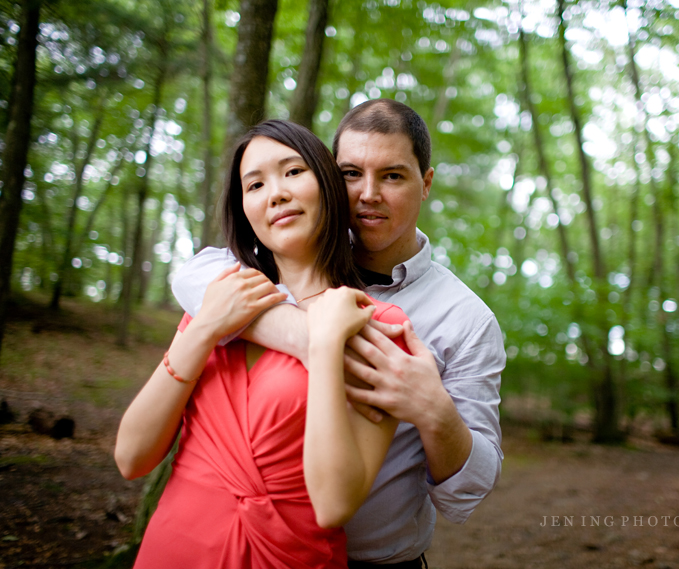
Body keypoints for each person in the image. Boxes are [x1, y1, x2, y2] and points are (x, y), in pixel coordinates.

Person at [172, 99, 505, 568]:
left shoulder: (466, 320)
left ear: (425, 183)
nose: (368, 194)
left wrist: (434, 412)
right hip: (249, 546)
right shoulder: (289, 255)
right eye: (350, 174)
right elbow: (195, 274)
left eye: (392, 176)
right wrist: (312, 337)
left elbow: (469, 493)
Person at [115, 120, 411, 568]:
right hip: (172, 548)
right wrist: (202, 329)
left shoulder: (379, 327)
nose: (275, 193)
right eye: (255, 184)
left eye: (293, 172)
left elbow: (334, 505)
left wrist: (327, 343)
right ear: (245, 209)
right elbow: (131, 458)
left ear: (328, 186)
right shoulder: (218, 298)